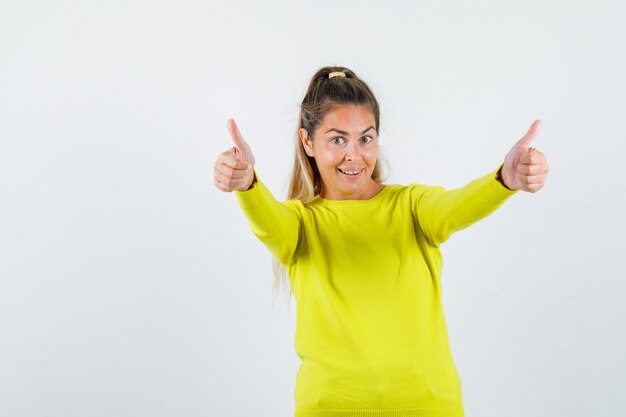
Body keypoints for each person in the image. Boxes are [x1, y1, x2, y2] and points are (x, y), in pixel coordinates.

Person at [213, 66, 549, 417]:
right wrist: (247, 182)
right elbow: (268, 219)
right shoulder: (300, 224)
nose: (354, 155)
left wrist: (504, 180)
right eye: (338, 139)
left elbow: (457, 206)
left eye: (366, 138)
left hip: (429, 407)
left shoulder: (413, 207)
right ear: (308, 142)